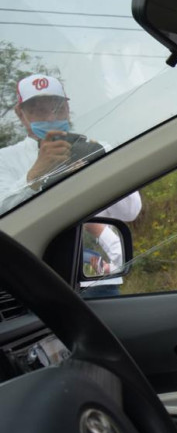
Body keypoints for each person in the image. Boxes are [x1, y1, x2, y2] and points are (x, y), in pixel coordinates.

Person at [0, 74, 141, 295]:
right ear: (21, 114)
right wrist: (35, 176)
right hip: (30, 279)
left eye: (56, 107)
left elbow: (131, 211)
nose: (49, 116)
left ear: (67, 108)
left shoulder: (96, 148)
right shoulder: (5, 158)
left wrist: (98, 165)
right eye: (38, 110)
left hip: (96, 278)